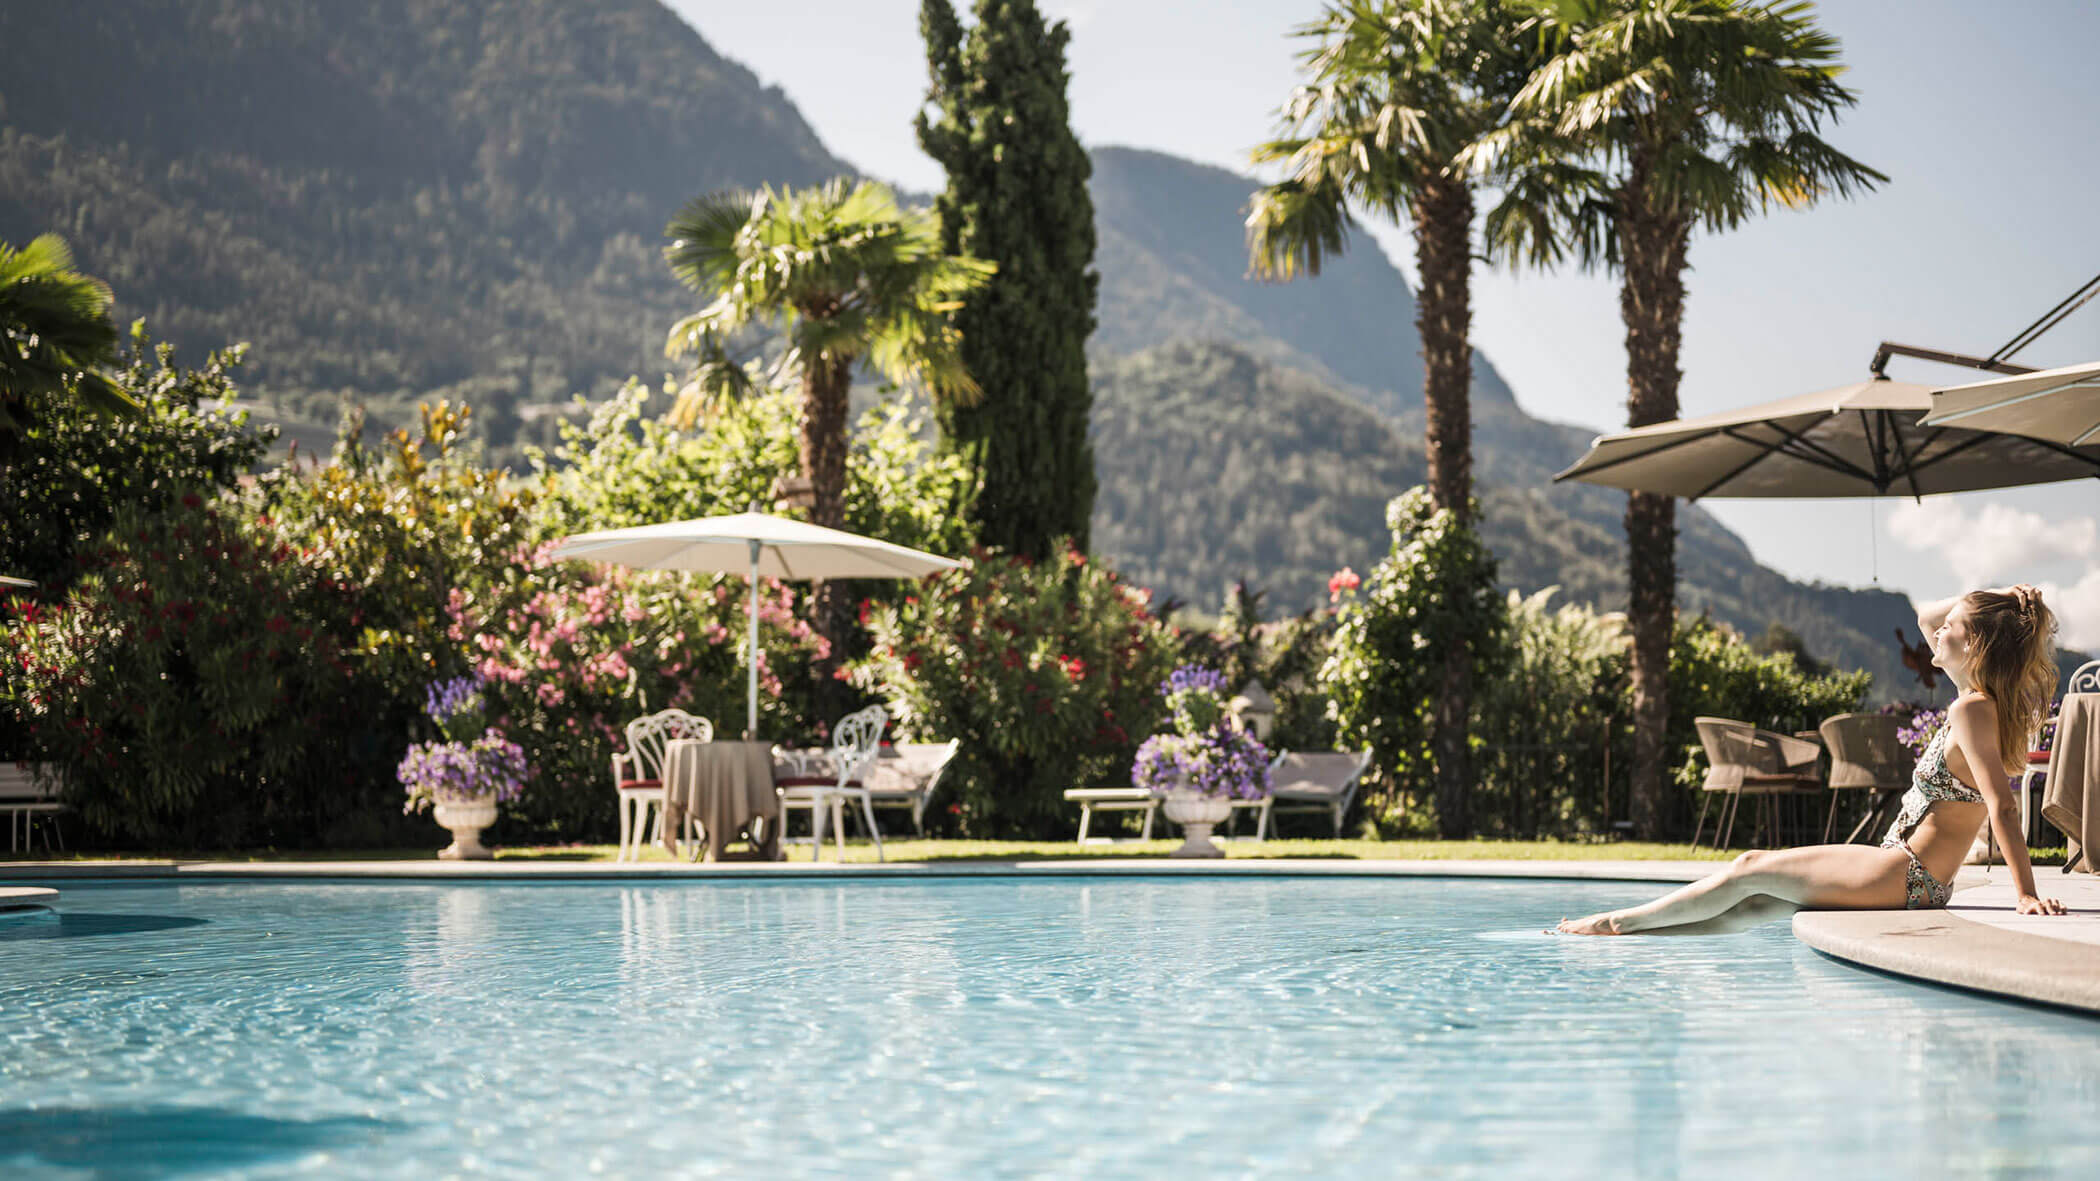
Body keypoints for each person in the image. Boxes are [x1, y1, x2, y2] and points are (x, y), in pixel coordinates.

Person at [1558, 584, 2069, 935]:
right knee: (1752, 905)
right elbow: (1928, 617)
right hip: (1906, 870)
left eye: (1953, 627)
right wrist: (2002, 601)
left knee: (1749, 866)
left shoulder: (1972, 708)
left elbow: (2003, 807)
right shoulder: (1977, 702)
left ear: (1975, 644)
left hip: (1908, 872)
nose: (1936, 633)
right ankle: (1628, 935)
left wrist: (2025, 892)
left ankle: (1616, 922)